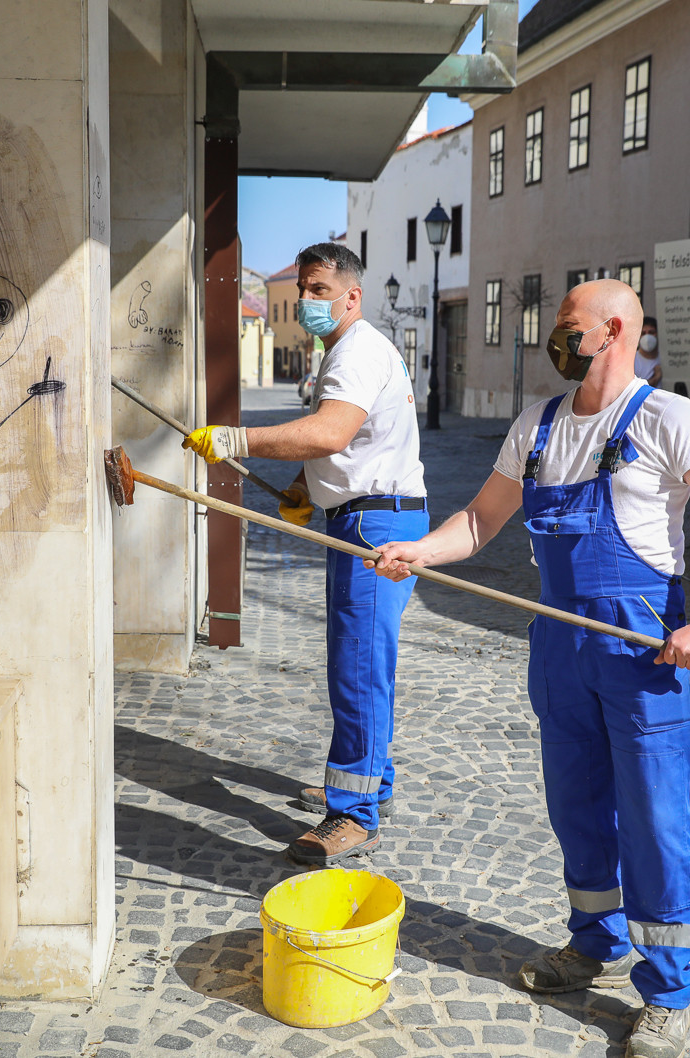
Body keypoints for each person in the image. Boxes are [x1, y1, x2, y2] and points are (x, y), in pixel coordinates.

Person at [368, 279, 690, 1058]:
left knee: (655, 816)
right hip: (559, 646)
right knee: (576, 806)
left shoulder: (667, 418)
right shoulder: (538, 427)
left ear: (613, 330)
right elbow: (480, 520)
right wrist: (419, 551)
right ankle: (595, 942)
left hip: (640, 648)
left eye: (566, 324)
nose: (555, 335)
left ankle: (668, 989)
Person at [182, 242, 427, 866]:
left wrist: (237, 439)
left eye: (320, 290)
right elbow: (352, 440)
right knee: (367, 664)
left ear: (353, 296)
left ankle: (354, 815)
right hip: (373, 514)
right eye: (303, 290)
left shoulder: (356, 352)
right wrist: (303, 486)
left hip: (373, 525)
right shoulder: (350, 349)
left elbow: (330, 432)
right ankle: (371, 781)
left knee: (358, 670)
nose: (307, 301)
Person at [634, 315, 662, 386]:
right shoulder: (632, 361)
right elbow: (634, 389)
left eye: (651, 332)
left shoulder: (664, 357)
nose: (647, 337)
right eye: (643, 333)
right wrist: (656, 378)